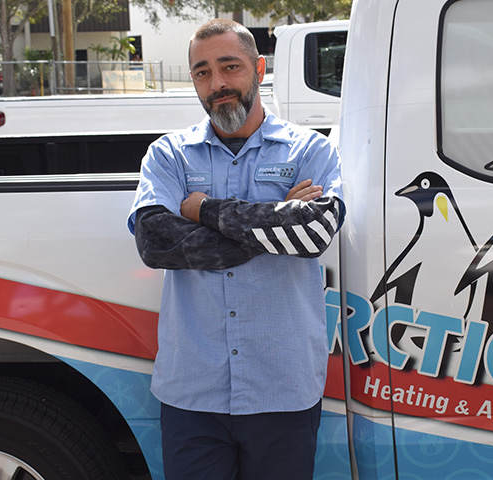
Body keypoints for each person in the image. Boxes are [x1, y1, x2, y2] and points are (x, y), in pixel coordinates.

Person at [127, 19, 344, 480]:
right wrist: (275, 222)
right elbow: (155, 242)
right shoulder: (169, 155)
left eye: (230, 67)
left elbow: (314, 234)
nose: (217, 84)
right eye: (202, 72)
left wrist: (203, 209)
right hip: (193, 391)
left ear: (259, 69)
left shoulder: (311, 150)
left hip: (282, 389)